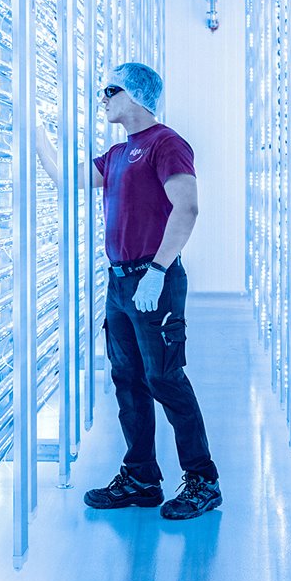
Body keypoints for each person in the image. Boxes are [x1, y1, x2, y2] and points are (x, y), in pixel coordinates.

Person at [35, 61, 221, 520]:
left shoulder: (166, 144)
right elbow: (66, 181)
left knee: (165, 379)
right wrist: (35, 135)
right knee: (128, 381)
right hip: (119, 283)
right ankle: (140, 477)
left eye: (110, 90)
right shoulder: (117, 154)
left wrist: (158, 270)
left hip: (152, 279)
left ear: (136, 95)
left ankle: (203, 480)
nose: (104, 98)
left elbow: (188, 207)